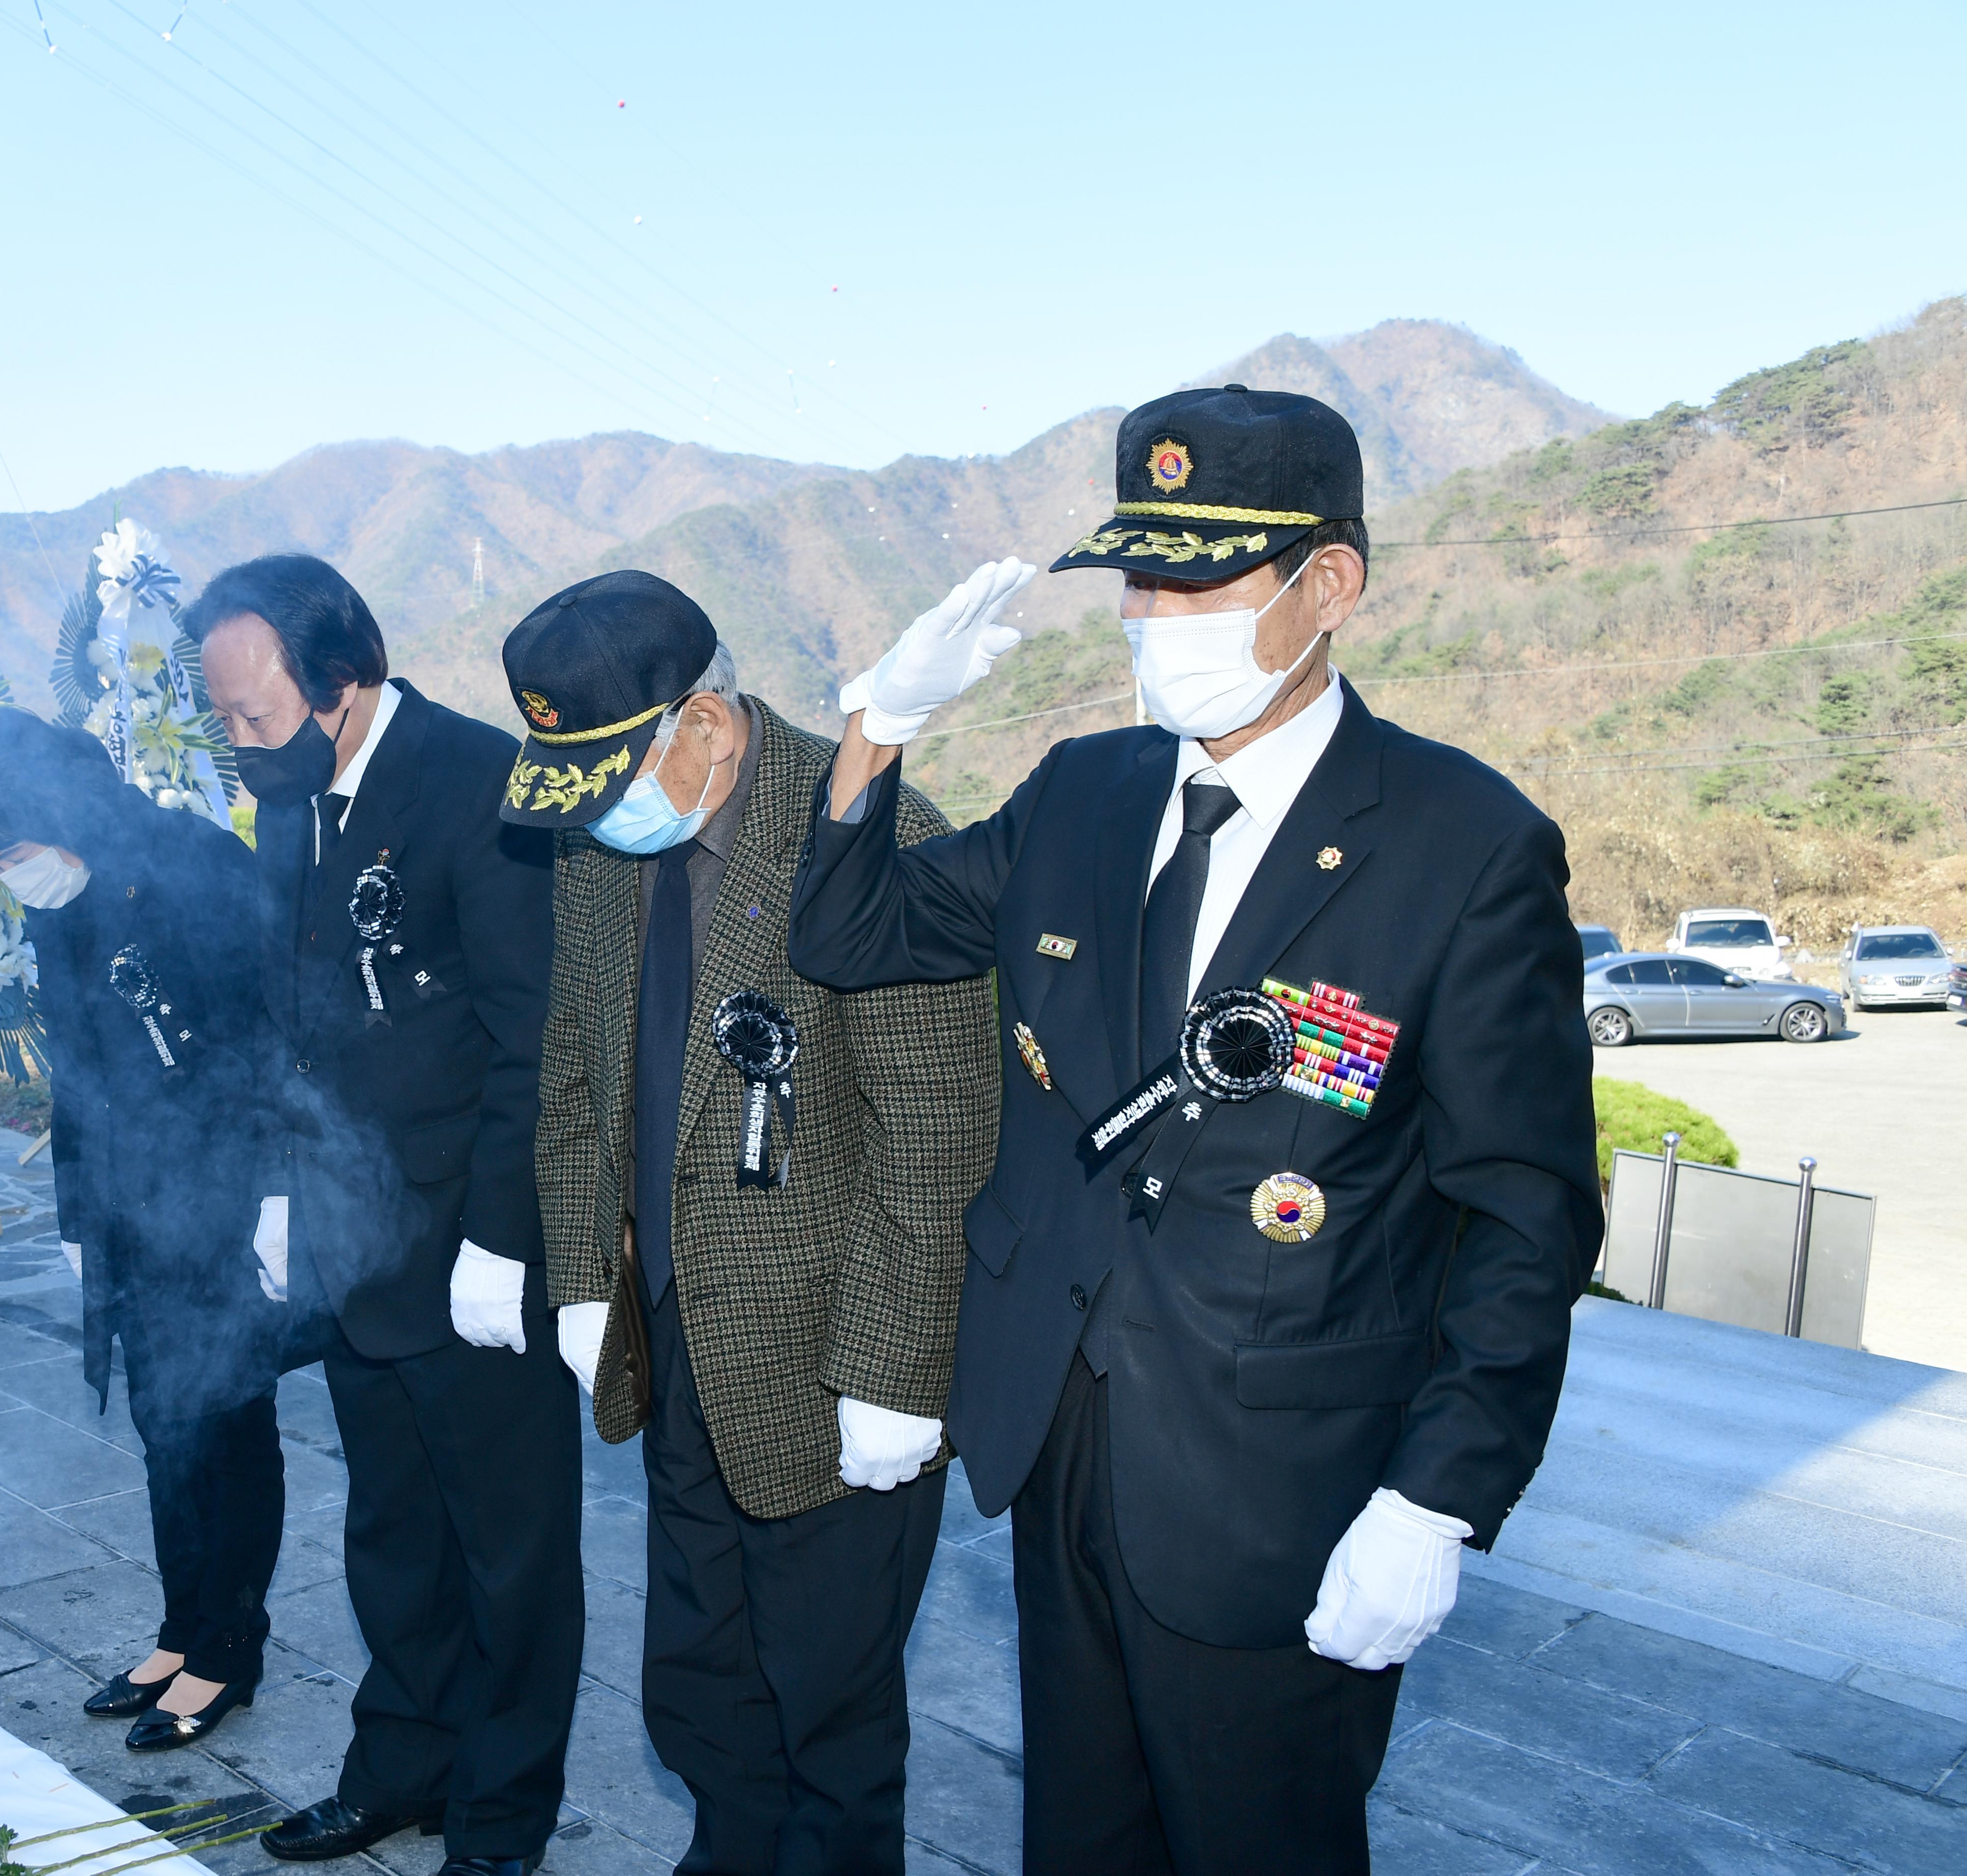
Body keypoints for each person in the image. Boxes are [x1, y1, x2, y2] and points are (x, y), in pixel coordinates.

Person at [787, 387, 1602, 1874]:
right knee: (1083, 1841)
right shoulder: (1083, 793)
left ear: (1329, 584)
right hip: (1064, 1437)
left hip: (1284, 1480)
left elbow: (1524, 1214)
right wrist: (880, 725)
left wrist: (1439, 1498)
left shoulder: (1463, 844)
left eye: (1199, 578)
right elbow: (846, 933)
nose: (1156, 617)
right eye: (1140, 580)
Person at [504, 573, 997, 1874]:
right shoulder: (601, 853)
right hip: (675, 1346)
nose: (603, 813)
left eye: (616, 776)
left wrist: (897, 1378)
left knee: (830, 1708)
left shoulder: (877, 840)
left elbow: (938, 1132)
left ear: (710, 725)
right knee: (699, 1679)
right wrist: (579, 1274)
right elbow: (570, 1072)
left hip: (834, 1367)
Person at [193, 554, 580, 1876]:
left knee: (510, 1559)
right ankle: (400, 1767)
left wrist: (503, 1242)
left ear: (344, 688)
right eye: (224, 723)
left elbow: (536, 1040)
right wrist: (281, 1201)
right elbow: (292, 1021)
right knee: (394, 1537)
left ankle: (503, 1817)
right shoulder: (289, 798)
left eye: (258, 719)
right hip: (356, 1244)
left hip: (473, 1247)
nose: (241, 749)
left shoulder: (481, 787)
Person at [0, 706, 284, 1752]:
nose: (9, 873)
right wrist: (78, 1205)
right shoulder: (66, 887)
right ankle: (182, 1625)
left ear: (55, 805)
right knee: (161, 1413)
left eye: (8, 848)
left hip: (218, 1183)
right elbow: (76, 1063)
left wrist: (273, 1196)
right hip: (127, 1188)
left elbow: (265, 1040)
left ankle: (231, 1643)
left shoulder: (196, 861)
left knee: (223, 1411)